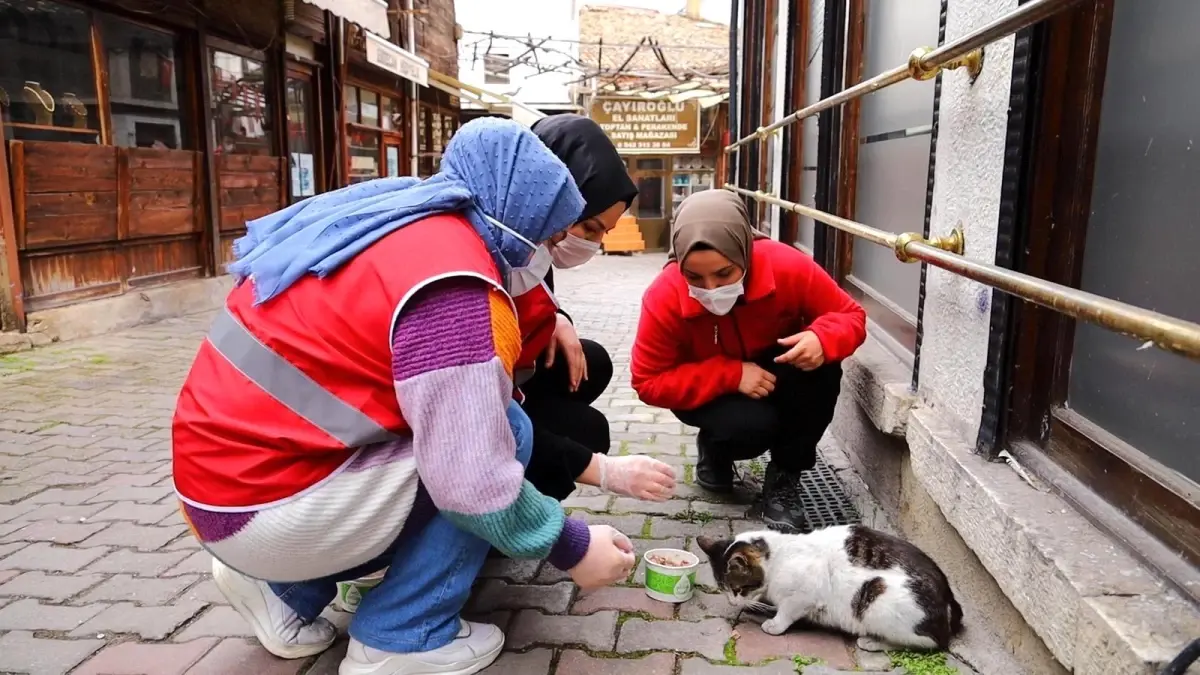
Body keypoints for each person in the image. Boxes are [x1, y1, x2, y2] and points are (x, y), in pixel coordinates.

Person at [171, 118, 637, 675]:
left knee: (483, 427)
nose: (554, 248)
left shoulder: (399, 222)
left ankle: (282, 594)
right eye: (554, 232)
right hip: (268, 506)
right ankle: (403, 636)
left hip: (218, 492)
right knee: (503, 433)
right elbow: (472, 478)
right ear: (523, 218)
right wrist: (573, 546)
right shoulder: (456, 284)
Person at [630, 189, 867, 533]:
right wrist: (730, 374)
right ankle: (715, 449)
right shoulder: (663, 295)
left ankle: (785, 479)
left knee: (823, 371)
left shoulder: (787, 265)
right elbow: (647, 381)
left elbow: (850, 314)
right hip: (710, 389)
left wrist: (823, 338)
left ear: (744, 250)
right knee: (751, 428)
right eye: (694, 278)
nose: (710, 288)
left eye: (724, 274)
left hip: (775, 368)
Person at [506, 113, 675, 503]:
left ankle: (521, 494)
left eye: (604, 234)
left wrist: (557, 319)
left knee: (590, 362)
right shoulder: (484, 258)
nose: (592, 244)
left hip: (505, 386)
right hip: (457, 418)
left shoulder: (529, 243)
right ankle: (504, 518)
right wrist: (600, 472)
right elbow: (476, 415)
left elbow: (536, 297)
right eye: (589, 227)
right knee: (585, 434)